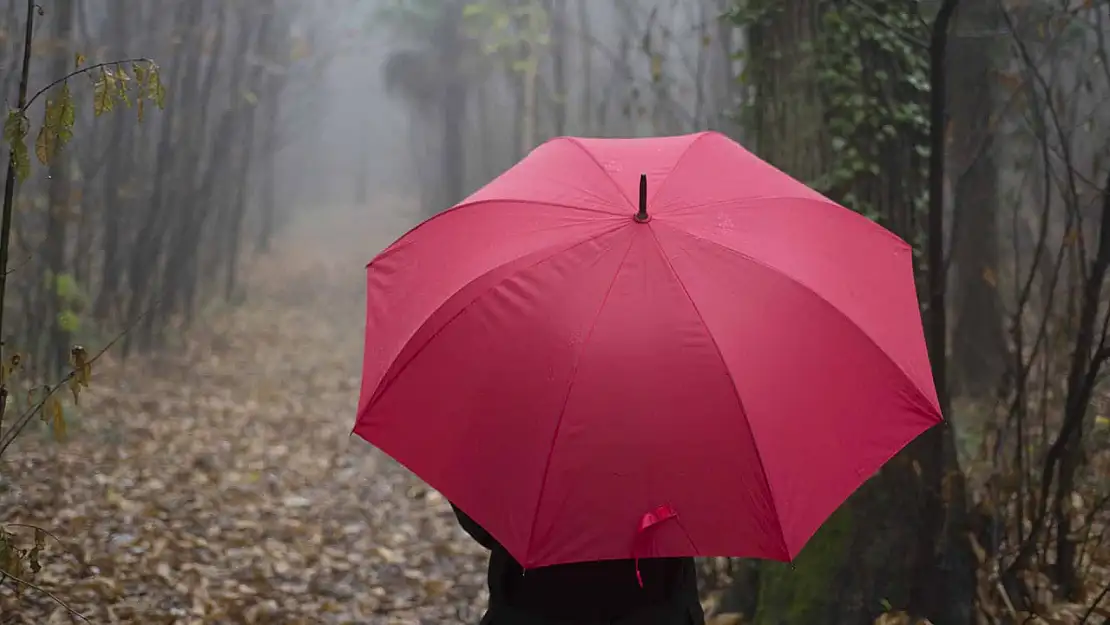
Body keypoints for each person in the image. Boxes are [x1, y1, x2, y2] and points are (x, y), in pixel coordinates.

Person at [452, 503, 705, 625]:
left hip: (531, 603)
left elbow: (482, 520)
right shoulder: (682, 412)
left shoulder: (513, 409)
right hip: (658, 605)